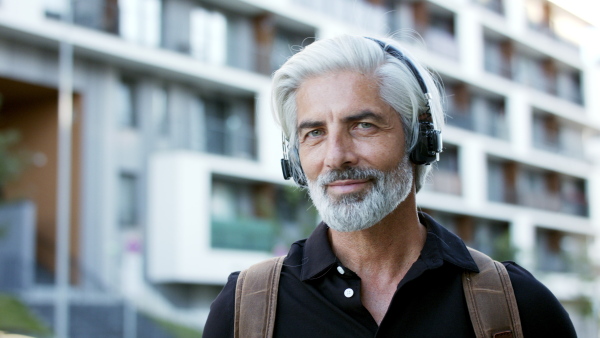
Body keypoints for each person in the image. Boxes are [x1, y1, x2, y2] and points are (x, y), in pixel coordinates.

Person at [203, 35, 576, 337]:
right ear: (296, 160)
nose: (336, 157)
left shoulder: (517, 305)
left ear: (419, 139)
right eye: (314, 133)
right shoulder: (244, 310)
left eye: (363, 125)